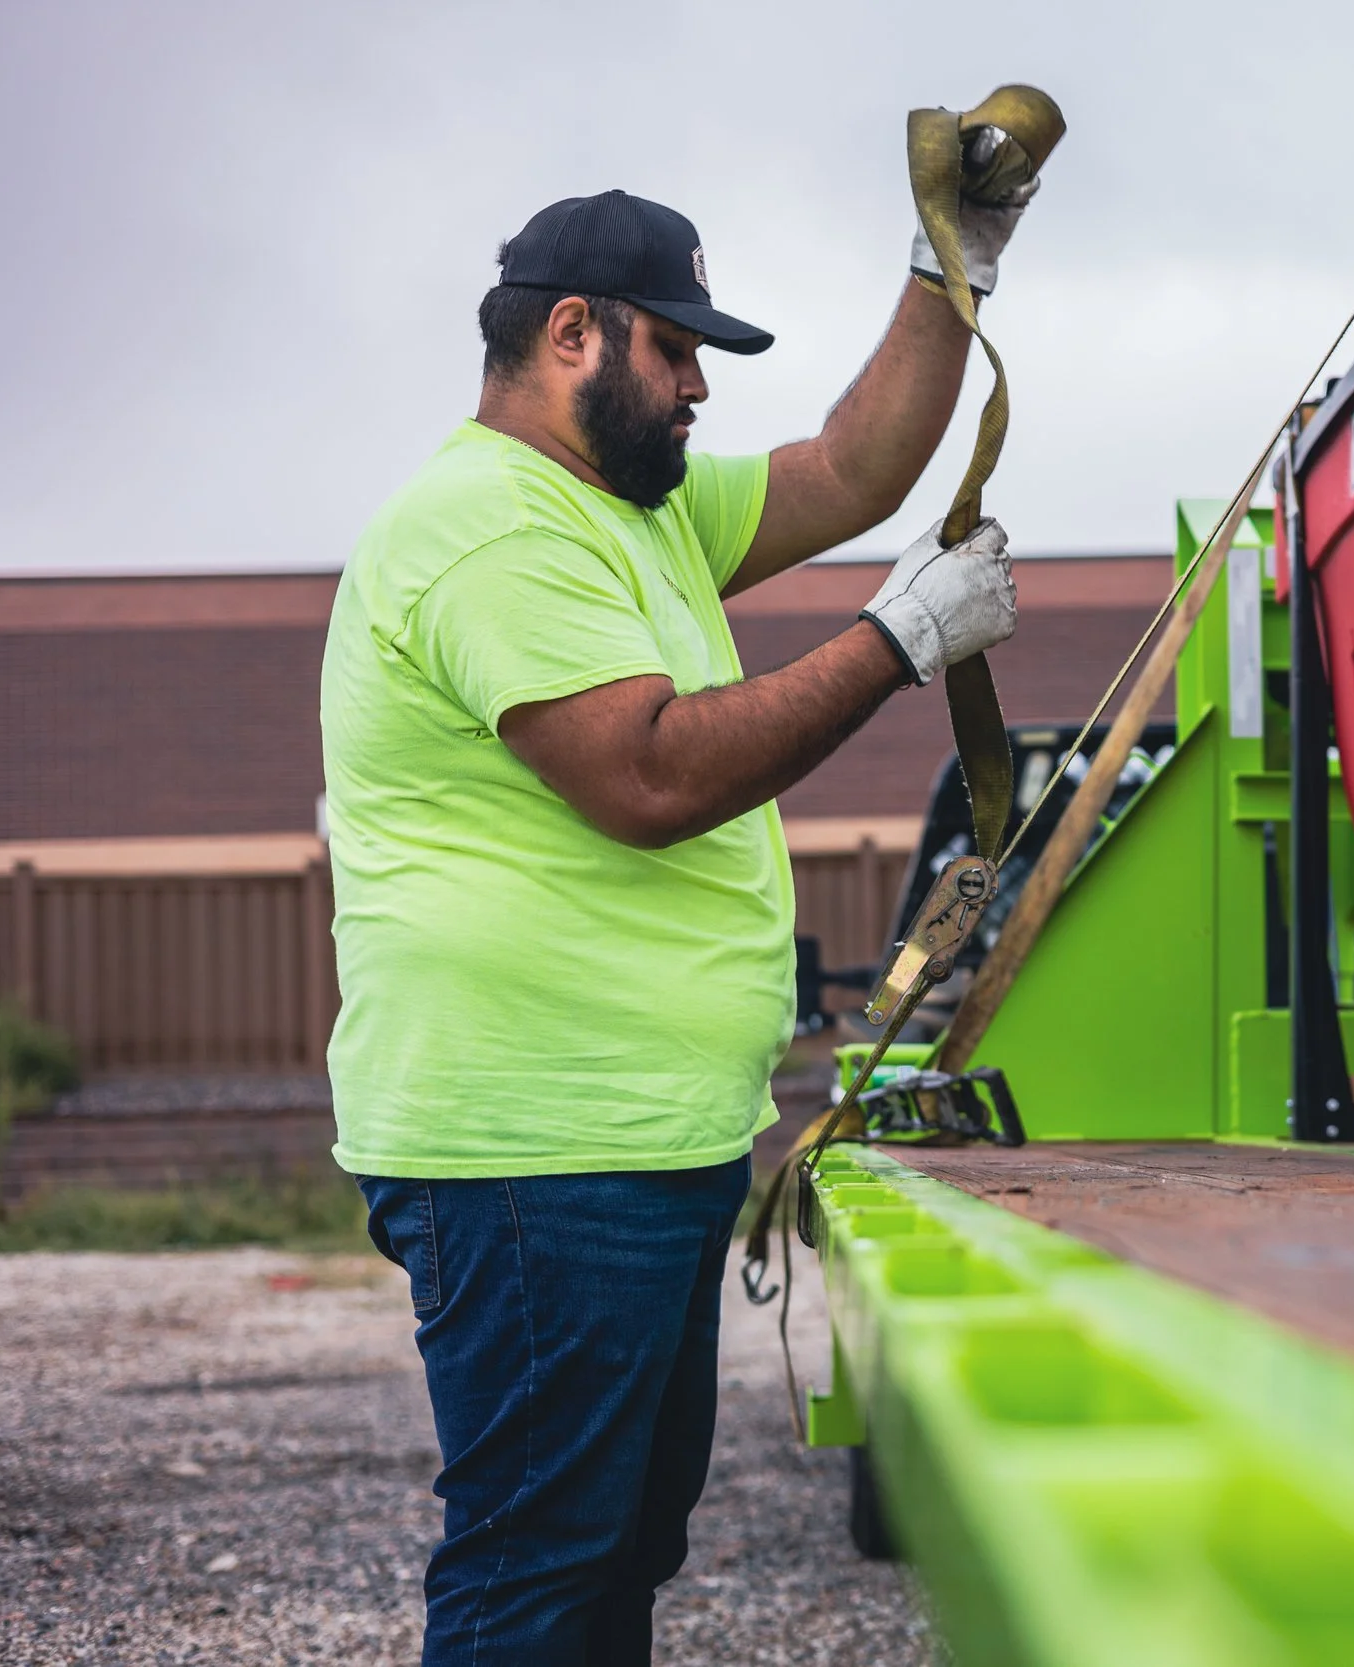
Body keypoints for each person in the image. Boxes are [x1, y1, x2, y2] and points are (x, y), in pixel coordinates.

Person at [319, 153, 1035, 1665]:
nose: (700, 385)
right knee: (537, 1569)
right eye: (675, 348)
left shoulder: (628, 506)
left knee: (611, 1555)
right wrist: (896, 639)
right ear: (571, 332)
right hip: (537, 1154)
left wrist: (948, 271)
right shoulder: (493, 528)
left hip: (632, 1140)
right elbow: (644, 775)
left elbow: (850, 469)